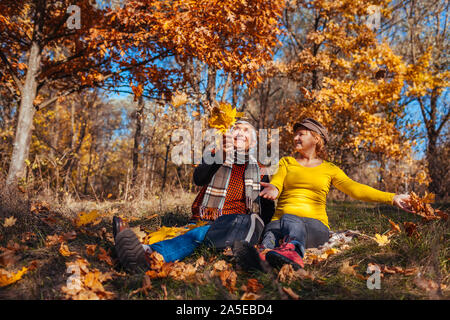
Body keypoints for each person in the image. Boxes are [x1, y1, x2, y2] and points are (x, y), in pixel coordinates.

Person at [236, 118, 414, 271]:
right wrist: (274, 189)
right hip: (279, 223)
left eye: (301, 133)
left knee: (292, 219)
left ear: (316, 138)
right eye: (295, 134)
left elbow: (355, 189)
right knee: (271, 235)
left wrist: (392, 197)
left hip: (315, 227)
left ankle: (293, 250)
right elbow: (277, 182)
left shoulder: (330, 169)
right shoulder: (286, 162)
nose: (295, 137)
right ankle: (263, 257)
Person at [113, 120, 275, 271]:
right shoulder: (215, 154)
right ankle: (134, 246)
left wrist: (267, 237)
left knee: (203, 233)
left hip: (230, 224)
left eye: (246, 130)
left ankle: (148, 253)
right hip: (201, 220)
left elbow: (265, 212)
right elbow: (199, 178)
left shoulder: (259, 170)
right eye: (236, 128)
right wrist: (220, 157)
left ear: (252, 142)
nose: (240, 132)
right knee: (182, 233)